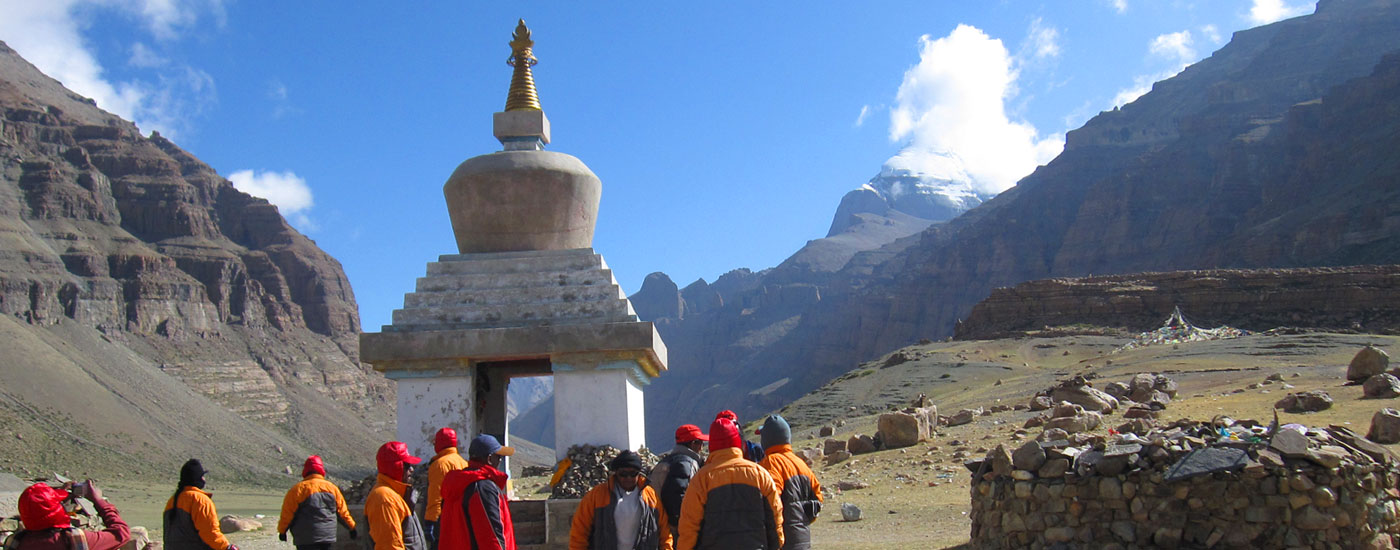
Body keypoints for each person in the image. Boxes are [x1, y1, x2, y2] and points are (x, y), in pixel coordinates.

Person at [676, 418, 783, 550]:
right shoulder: (760, 474)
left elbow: (689, 527)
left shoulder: (701, 479)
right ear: (738, 442)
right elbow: (775, 517)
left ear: (712, 445)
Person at [569, 450, 673, 550]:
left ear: (639, 474)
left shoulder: (650, 496)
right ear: (616, 473)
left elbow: (664, 533)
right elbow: (579, 532)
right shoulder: (597, 496)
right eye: (623, 474)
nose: (628, 478)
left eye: (633, 474)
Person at [756, 415, 823, 550]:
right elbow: (818, 499)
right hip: (803, 539)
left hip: (782, 541)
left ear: (767, 438)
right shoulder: (800, 463)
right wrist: (801, 520)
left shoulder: (771, 463)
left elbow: (771, 500)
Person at [439, 434, 515, 550]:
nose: (500, 460)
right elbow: (490, 534)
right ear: (489, 459)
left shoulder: (459, 484)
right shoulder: (482, 487)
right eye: (498, 457)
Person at [7, 480, 129, 550]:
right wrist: (98, 501)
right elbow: (121, 533)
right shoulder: (74, 539)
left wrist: (61, 497)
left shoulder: (15, 542)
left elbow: (42, 517)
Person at [277, 455, 357, 550]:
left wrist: (282, 531)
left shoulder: (297, 490)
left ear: (305, 470)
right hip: (327, 538)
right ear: (321, 469)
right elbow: (342, 513)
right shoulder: (332, 488)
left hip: (305, 539)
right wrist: (352, 528)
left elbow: (287, 514)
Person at [165, 459, 237, 550]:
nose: (204, 479)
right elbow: (210, 533)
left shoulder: (173, 500)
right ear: (197, 477)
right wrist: (227, 547)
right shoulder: (200, 500)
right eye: (202, 476)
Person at [366, 442, 426, 550]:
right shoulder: (385, 499)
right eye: (407, 465)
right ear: (395, 467)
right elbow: (390, 546)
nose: (411, 470)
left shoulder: (394, 495)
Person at [647, 425, 707, 533]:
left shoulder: (666, 461)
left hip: (657, 523)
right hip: (674, 529)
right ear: (693, 444)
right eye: (700, 443)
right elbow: (678, 499)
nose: (702, 448)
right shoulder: (686, 464)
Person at [424, 427, 469, 550]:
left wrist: (430, 521)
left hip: (443, 520)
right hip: (461, 518)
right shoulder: (464, 463)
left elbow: (435, 495)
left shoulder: (439, 465)